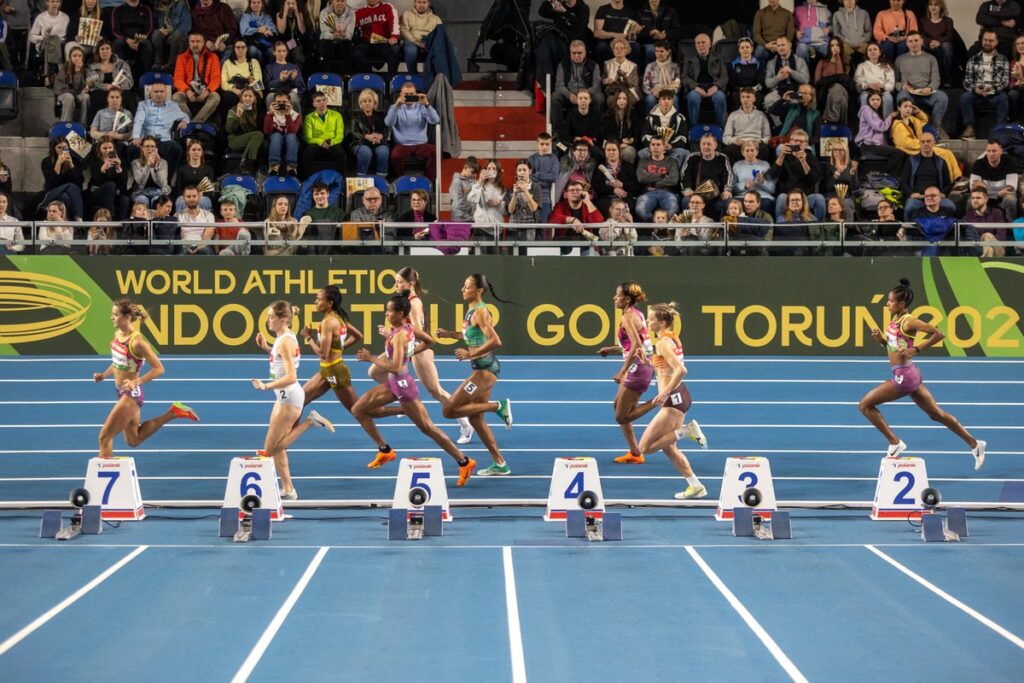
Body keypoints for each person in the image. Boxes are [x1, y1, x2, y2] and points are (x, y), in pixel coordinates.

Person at [860, 279, 986, 469]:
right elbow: (896, 347)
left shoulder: (909, 320)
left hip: (905, 377)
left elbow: (938, 333)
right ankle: (975, 444)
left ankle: (895, 443)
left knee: (865, 405)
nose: (887, 303)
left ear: (902, 304)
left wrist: (917, 349)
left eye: (891, 301)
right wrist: (882, 341)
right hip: (911, 372)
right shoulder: (896, 319)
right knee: (937, 414)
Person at [353, 293, 476, 485]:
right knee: (358, 410)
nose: (386, 313)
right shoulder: (407, 328)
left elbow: (395, 367)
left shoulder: (401, 335)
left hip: (403, 386)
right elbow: (430, 341)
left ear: (400, 313)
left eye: (389, 310)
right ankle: (385, 450)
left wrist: (372, 358)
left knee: (427, 428)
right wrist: (411, 352)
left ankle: (464, 461)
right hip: (393, 384)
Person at [297, 286, 400, 469]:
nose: (315, 301)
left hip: (336, 372)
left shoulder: (329, 322)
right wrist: (338, 348)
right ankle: (283, 443)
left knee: (361, 411)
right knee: (298, 400)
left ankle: (388, 442)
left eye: (318, 299)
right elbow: (358, 336)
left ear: (329, 303)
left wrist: (308, 337)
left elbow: (322, 352)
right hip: (326, 371)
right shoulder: (339, 318)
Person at [93, 298, 199, 460]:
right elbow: (118, 362)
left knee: (104, 437)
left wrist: (136, 381)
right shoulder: (118, 335)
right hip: (121, 392)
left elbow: (159, 368)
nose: (111, 318)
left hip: (131, 395)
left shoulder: (137, 343)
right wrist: (103, 375)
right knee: (133, 440)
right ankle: (173, 412)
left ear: (127, 317)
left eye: (115, 315)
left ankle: (103, 481)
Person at [251, 300, 335, 500]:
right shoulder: (283, 339)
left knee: (271, 449)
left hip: (289, 398)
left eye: (272, 317)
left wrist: (266, 385)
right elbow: (279, 357)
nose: (268, 320)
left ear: (284, 320)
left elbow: (291, 377)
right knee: (277, 445)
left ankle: (310, 422)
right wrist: (266, 347)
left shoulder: (287, 341)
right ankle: (288, 489)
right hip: (284, 398)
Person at [435, 274, 514, 477]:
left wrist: (470, 353)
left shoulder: (480, 311)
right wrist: (449, 334)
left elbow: (496, 340)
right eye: (463, 285)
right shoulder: (471, 311)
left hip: (485, 370)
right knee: (476, 419)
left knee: (450, 410)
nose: (463, 289)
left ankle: (498, 406)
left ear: (479, 290)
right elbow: (470, 335)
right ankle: (500, 463)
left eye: (467, 286)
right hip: (483, 368)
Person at [392, 268, 474, 444]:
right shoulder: (407, 300)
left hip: (419, 349)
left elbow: (417, 331)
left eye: (399, 282)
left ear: (410, 284)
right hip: (409, 347)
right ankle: (406, 401)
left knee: (435, 391)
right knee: (379, 371)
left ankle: (465, 423)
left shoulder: (413, 304)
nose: (395, 286)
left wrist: (407, 347)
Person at [638, 302, 708, 500]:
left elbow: (681, 370)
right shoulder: (669, 339)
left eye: (651, 319)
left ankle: (687, 431)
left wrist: (665, 393)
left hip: (674, 400)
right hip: (679, 397)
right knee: (669, 448)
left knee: (645, 447)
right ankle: (696, 486)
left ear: (661, 322)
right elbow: (663, 366)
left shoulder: (662, 343)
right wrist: (645, 360)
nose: (647, 322)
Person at [894, 32, 948, 139]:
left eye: (916, 40)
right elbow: (895, 81)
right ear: (907, 44)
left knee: (942, 97)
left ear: (922, 42)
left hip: (927, 93)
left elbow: (936, 79)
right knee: (901, 96)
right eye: (910, 41)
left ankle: (936, 127)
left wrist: (930, 88)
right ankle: (907, 127)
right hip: (909, 94)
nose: (914, 43)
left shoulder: (931, 58)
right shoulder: (900, 59)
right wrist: (902, 87)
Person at [961, 30, 1010, 139]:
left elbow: (1005, 81)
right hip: (977, 93)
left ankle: (1000, 129)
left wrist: (992, 89)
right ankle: (969, 127)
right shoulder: (973, 59)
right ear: (981, 41)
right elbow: (967, 80)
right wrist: (975, 89)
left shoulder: (1003, 59)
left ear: (996, 42)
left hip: (995, 92)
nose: (987, 43)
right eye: (985, 40)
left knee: (1004, 98)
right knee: (965, 97)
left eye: (991, 41)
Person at [385, 82, 439, 180]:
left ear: (416, 94)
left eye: (412, 95)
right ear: (401, 94)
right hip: (402, 145)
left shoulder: (422, 107)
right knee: (395, 156)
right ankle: (401, 179)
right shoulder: (395, 107)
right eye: (406, 95)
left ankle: (428, 180)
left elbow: (435, 120)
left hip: (421, 144)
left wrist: (427, 104)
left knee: (436, 151)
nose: (409, 97)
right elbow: (388, 123)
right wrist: (396, 106)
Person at [132, 82, 188, 176]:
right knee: (132, 149)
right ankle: (139, 179)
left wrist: (184, 122)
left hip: (164, 140)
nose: (159, 94)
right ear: (151, 93)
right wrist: (136, 137)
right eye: (156, 91)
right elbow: (138, 120)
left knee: (177, 149)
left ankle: (168, 179)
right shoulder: (143, 105)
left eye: (161, 91)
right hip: (147, 141)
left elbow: (185, 116)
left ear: (166, 93)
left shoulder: (173, 106)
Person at [551, 40, 604, 132]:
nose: (576, 56)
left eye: (579, 53)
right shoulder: (563, 64)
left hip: (587, 95)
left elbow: (597, 86)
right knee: (554, 97)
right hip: (569, 95)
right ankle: (558, 131)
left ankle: (598, 129)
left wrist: (585, 94)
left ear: (585, 53)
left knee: (599, 97)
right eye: (573, 53)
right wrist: (569, 95)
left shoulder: (593, 65)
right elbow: (559, 86)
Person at [172, 31, 221, 123]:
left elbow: (216, 79)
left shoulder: (213, 57)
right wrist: (187, 91)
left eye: (198, 41)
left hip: (205, 90)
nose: (195, 44)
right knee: (176, 97)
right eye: (192, 41)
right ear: (189, 43)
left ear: (203, 43)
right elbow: (178, 79)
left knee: (216, 97)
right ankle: (189, 120)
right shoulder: (181, 57)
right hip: (188, 91)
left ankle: (195, 123)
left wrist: (207, 91)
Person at [682, 33, 727, 128]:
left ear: (709, 44)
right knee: (693, 97)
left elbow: (724, 77)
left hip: (714, 87)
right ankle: (694, 127)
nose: (700, 45)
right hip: (697, 88)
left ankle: (720, 127)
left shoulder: (718, 58)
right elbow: (685, 77)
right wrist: (696, 87)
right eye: (698, 43)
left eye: (703, 42)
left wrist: (716, 86)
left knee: (720, 97)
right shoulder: (689, 59)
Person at [970, 139, 1019, 220]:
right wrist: (997, 194)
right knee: (970, 201)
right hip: (985, 198)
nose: (991, 154)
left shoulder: (1010, 162)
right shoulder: (978, 164)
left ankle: (1011, 229)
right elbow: (974, 189)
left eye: (994, 151)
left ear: (1001, 151)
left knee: (1011, 200)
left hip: (1003, 199)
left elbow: (1011, 188)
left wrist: (985, 187)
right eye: (988, 151)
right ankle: (972, 229)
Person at [301, 91, 346, 176]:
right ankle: (307, 178)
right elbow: (308, 137)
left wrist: (330, 142)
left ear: (327, 101)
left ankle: (341, 178)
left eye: (324, 100)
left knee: (340, 152)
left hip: (332, 143)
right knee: (308, 152)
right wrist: (321, 142)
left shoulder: (337, 115)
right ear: (314, 104)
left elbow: (340, 136)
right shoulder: (309, 117)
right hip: (317, 144)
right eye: (318, 101)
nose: (322, 102)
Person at [634, 137, 679, 222]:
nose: (655, 147)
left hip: (667, 192)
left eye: (658, 145)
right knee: (640, 210)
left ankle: (661, 227)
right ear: (650, 147)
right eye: (653, 145)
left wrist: (655, 183)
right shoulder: (643, 161)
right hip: (648, 193)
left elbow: (673, 180)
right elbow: (641, 178)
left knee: (674, 209)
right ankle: (656, 225)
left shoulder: (671, 161)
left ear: (664, 147)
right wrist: (663, 175)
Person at [86, 41, 135, 117]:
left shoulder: (122, 64)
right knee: (97, 95)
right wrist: (106, 87)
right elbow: (92, 84)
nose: (105, 51)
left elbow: (129, 81)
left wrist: (120, 86)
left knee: (127, 94)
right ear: (98, 52)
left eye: (107, 48)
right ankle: (98, 125)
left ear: (111, 51)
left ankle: (129, 124)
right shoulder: (91, 67)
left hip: (119, 89)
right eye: (102, 49)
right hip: (101, 91)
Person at [41, 137, 85, 221]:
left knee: (64, 196)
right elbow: (50, 184)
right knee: (71, 186)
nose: (62, 150)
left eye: (65, 148)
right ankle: (79, 217)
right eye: (59, 147)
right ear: (54, 149)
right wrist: (58, 164)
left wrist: (71, 166)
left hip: (70, 195)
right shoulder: (47, 162)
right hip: (53, 192)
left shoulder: (75, 161)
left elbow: (79, 184)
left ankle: (67, 223)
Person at [352, 0, 400, 77]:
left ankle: (391, 80)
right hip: (367, 43)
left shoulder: (388, 7)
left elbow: (394, 22)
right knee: (358, 52)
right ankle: (368, 78)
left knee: (394, 49)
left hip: (384, 42)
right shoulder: (359, 12)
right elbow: (350, 26)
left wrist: (394, 36)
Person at [723, 87, 771, 162]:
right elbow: (726, 137)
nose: (745, 99)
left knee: (764, 149)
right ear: (740, 99)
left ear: (754, 99)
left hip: (756, 143)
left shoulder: (761, 115)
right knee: (728, 150)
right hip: (739, 144)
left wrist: (760, 141)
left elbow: (767, 137)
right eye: (743, 97)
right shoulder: (733, 115)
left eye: (748, 97)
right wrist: (734, 140)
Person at [348, 89, 389, 177]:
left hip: (378, 142)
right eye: (364, 101)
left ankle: (381, 177)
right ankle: (361, 176)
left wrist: (380, 136)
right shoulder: (354, 115)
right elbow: (353, 132)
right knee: (365, 152)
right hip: (359, 143)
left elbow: (386, 130)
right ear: (360, 104)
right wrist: (366, 137)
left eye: (370, 101)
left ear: (375, 103)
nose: (367, 103)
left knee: (384, 151)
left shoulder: (381, 115)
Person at [88, 136, 129, 220]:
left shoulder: (119, 160)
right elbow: (95, 180)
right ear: (99, 149)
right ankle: (110, 218)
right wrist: (102, 169)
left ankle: (122, 229)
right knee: (110, 185)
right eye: (104, 148)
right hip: (97, 192)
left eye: (110, 148)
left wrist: (118, 168)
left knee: (125, 200)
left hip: (114, 193)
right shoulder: (94, 159)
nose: (108, 151)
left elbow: (123, 184)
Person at [226, 87, 264, 175]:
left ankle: (256, 169)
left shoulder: (257, 111)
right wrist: (238, 116)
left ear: (254, 98)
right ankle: (247, 163)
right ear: (241, 98)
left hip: (252, 141)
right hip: (235, 140)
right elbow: (229, 129)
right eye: (245, 96)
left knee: (264, 142)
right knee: (258, 135)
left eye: (250, 96)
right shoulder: (234, 109)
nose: (247, 98)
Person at [220, 38, 264, 112]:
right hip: (234, 90)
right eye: (238, 47)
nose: (240, 49)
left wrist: (245, 92)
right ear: (234, 49)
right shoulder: (227, 63)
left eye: (243, 47)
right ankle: (228, 121)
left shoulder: (254, 62)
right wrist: (234, 90)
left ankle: (254, 122)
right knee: (227, 97)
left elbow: (258, 81)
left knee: (255, 96)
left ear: (247, 49)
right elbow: (223, 83)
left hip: (250, 90)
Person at [111, 0, 154, 74]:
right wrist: (127, 40)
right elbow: (115, 30)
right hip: (124, 39)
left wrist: (138, 40)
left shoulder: (146, 9)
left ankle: (146, 76)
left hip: (140, 39)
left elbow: (149, 29)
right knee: (117, 43)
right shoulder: (117, 10)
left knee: (147, 44)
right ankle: (118, 75)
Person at [264, 91, 301, 176]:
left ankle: (291, 166)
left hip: (291, 139)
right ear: (273, 103)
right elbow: (267, 131)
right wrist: (271, 114)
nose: (281, 104)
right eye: (278, 102)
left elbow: (293, 131)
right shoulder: (269, 114)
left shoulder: (295, 115)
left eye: (284, 102)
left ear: (289, 103)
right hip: (274, 140)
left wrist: (288, 115)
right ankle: (274, 166)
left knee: (291, 136)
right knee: (276, 136)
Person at [814, 36, 851, 124]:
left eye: (837, 45)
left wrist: (838, 59)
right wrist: (835, 79)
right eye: (832, 45)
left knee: (838, 88)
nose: (835, 47)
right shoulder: (822, 62)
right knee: (840, 96)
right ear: (829, 48)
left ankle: (830, 120)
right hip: (826, 92)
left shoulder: (846, 65)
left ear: (841, 48)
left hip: (843, 91)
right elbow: (817, 82)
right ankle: (840, 124)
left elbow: (842, 79)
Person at [962, 186, 1008, 256]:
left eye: (978, 198)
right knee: (988, 249)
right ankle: (987, 262)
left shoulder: (996, 213)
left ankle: (983, 264)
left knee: (987, 236)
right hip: (977, 249)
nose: (975, 201)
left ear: (986, 199)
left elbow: (1002, 236)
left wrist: (986, 239)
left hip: (997, 248)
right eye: (973, 198)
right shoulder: (968, 217)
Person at [854, 42, 896, 116]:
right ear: (867, 53)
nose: (872, 51)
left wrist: (882, 86)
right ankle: (867, 124)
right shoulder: (861, 66)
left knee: (888, 98)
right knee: (864, 98)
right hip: (867, 92)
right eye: (870, 50)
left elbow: (891, 84)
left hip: (882, 92)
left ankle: (887, 124)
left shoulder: (886, 66)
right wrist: (868, 85)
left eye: (875, 49)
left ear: (879, 52)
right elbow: (858, 83)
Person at [399, 0, 440, 75]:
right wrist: (415, 41)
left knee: (452, 48)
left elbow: (439, 34)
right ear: (415, 3)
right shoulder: (406, 14)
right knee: (411, 50)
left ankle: (435, 75)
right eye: (419, 2)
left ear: (429, 3)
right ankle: (413, 75)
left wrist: (430, 42)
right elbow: (403, 30)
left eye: (424, 2)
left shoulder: (436, 19)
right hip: (411, 41)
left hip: (429, 41)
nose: (421, 5)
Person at [130, 135, 171, 207]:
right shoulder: (135, 163)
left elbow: (162, 184)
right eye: (147, 146)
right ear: (142, 148)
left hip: (159, 192)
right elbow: (140, 182)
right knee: (142, 200)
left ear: (156, 148)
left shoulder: (163, 162)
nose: (150, 149)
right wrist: (148, 166)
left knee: (157, 201)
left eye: (152, 146)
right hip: (141, 192)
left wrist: (156, 167)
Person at [920, 0, 954, 86]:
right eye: (931, 5)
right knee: (921, 45)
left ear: (941, 7)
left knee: (946, 46)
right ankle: (925, 79)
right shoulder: (923, 20)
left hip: (942, 45)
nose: (933, 7)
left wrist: (939, 42)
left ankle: (947, 79)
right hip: (928, 45)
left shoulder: (948, 20)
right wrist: (930, 42)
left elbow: (949, 36)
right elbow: (922, 36)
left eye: (936, 5)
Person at [151, 0, 192, 71]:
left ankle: (170, 66)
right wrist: (160, 30)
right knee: (156, 34)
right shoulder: (157, 7)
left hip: (180, 35)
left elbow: (186, 26)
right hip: (165, 35)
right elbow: (153, 24)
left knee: (176, 35)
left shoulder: (181, 5)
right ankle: (157, 64)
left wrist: (172, 32)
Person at [265, 40, 305, 110]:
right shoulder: (269, 67)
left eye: (284, 51)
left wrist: (293, 79)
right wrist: (280, 79)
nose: (282, 54)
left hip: (290, 93)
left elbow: (301, 87)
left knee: (294, 97)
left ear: (286, 52)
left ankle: (297, 120)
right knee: (269, 97)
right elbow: (268, 85)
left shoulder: (294, 67)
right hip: (275, 94)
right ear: (274, 52)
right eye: (279, 51)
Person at [527, 133, 559, 222]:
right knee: (530, 226)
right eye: (542, 144)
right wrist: (544, 181)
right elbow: (529, 178)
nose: (544, 147)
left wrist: (538, 174)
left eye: (547, 144)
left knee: (541, 226)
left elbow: (554, 177)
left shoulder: (554, 159)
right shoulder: (531, 159)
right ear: (537, 144)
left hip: (546, 198)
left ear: (551, 144)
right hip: (531, 196)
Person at [54, 46, 89, 125]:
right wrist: (76, 72)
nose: (77, 58)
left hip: (77, 95)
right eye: (74, 56)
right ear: (70, 57)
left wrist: (85, 89)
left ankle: (82, 127)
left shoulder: (84, 69)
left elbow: (83, 86)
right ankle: (65, 126)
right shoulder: (64, 68)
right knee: (69, 97)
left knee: (85, 97)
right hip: (64, 94)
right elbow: (60, 88)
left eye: (79, 56)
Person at [641, 39, 679, 112]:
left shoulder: (675, 66)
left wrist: (669, 91)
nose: (659, 54)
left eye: (661, 51)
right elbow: (645, 84)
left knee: (675, 99)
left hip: (669, 91)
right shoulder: (650, 66)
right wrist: (653, 92)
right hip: (654, 92)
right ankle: (650, 121)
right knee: (650, 100)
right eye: (657, 51)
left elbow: (677, 83)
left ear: (668, 52)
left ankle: (674, 121)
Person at [320, 0, 355, 74]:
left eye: (342, 1)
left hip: (343, 42)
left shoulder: (351, 13)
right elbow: (324, 33)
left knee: (347, 44)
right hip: (329, 42)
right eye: (337, 1)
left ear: (346, 2)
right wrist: (333, 35)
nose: (340, 4)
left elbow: (350, 34)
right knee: (327, 44)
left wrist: (344, 35)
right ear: (332, 2)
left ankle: (347, 75)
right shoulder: (324, 13)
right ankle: (326, 75)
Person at [602, 36, 640, 102]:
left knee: (626, 100)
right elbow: (603, 81)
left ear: (626, 50)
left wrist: (625, 78)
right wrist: (606, 81)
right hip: (613, 91)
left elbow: (634, 84)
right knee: (611, 100)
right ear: (613, 50)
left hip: (628, 91)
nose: (619, 50)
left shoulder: (633, 65)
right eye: (616, 48)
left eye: (622, 48)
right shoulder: (607, 64)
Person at [274, 0, 309, 65]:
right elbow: (282, 31)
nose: (290, 6)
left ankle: (298, 72)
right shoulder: (279, 14)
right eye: (288, 3)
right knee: (284, 52)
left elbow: (302, 31)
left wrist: (297, 15)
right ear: (284, 4)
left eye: (293, 3)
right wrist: (285, 13)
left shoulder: (299, 14)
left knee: (297, 52)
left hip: (295, 43)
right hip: (283, 43)